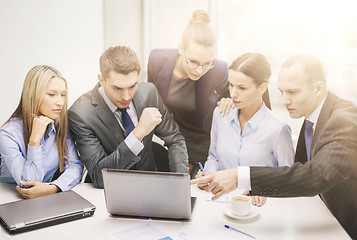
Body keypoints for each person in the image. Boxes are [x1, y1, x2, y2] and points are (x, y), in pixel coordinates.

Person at [191, 54, 357, 238]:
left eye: (292, 92)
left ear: (318, 89)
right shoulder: (312, 118)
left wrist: (241, 177)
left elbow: (316, 175)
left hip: (347, 223)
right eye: (282, 92)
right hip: (323, 217)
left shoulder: (343, 119)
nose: (284, 101)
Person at [68, 46, 189, 189]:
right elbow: (99, 176)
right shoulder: (81, 113)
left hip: (150, 185)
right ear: (101, 79)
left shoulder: (149, 92)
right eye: (117, 88)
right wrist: (138, 134)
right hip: (110, 192)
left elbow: (175, 138)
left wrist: (182, 182)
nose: (126, 96)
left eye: (132, 86)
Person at [196, 53, 294, 206]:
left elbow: (289, 179)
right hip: (219, 202)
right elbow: (213, 157)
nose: (233, 93)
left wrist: (263, 188)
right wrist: (209, 175)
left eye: (242, 88)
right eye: (231, 85)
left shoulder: (278, 129)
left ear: (262, 87)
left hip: (258, 207)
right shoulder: (221, 114)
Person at [147, 10, 230, 176]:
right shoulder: (157, 60)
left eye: (207, 63)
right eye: (193, 61)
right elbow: (151, 98)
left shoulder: (219, 69)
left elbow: (229, 97)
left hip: (203, 140)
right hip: (174, 136)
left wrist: (228, 100)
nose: (199, 70)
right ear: (180, 49)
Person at [0, 65, 84, 198]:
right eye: (52, 94)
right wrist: (34, 141)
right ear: (33, 95)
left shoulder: (60, 125)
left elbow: (75, 166)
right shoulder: (8, 134)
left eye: (63, 95)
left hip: (44, 198)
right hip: (9, 199)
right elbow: (27, 184)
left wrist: (54, 187)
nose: (60, 102)